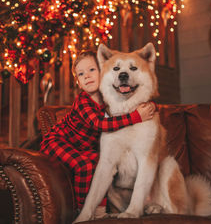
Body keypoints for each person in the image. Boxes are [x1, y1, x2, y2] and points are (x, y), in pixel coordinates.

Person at [39, 50, 156, 214]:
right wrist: (136, 117)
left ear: (104, 71)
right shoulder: (83, 101)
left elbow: (137, 98)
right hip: (57, 141)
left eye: (91, 70)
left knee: (102, 165)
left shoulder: (112, 97)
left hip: (84, 148)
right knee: (84, 165)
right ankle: (82, 211)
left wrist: (150, 106)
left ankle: (100, 212)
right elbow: (101, 124)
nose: (86, 76)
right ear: (79, 83)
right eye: (81, 74)